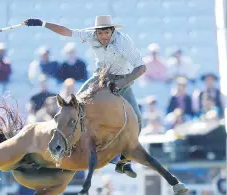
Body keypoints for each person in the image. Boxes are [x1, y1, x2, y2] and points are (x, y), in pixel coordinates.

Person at [23, 15, 146, 178]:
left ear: (112, 31)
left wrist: (120, 85)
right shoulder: (90, 36)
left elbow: (141, 68)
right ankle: (62, 145)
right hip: (100, 77)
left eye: (107, 33)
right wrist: (42, 23)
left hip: (122, 80)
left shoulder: (124, 42)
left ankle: (124, 161)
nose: (103, 37)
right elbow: (66, 32)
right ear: (96, 32)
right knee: (72, 107)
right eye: (100, 33)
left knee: (137, 119)